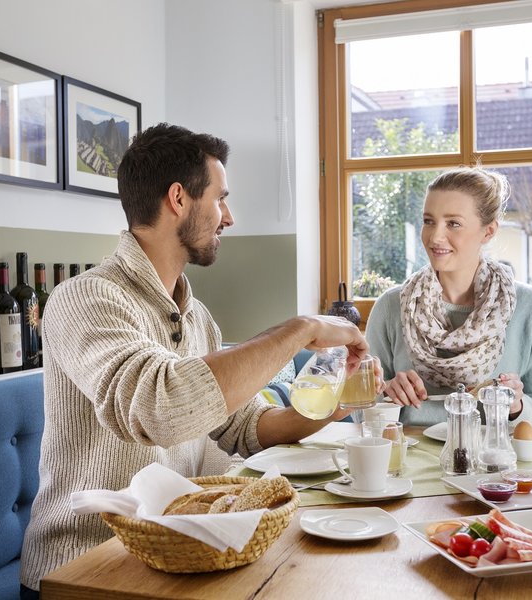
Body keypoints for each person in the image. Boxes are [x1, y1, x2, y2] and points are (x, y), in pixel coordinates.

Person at [19, 123, 370, 597]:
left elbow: (244, 427)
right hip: (87, 567)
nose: (229, 216)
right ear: (179, 199)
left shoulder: (195, 315)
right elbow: (157, 408)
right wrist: (301, 329)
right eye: (220, 198)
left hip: (180, 556)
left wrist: (340, 401)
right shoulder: (85, 299)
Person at [365, 166, 532, 433]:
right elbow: (361, 414)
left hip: (493, 465)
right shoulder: (391, 306)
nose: (435, 236)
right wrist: (386, 395)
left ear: (488, 232)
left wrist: (516, 405)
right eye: (428, 221)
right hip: (407, 464)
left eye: (453, 223)